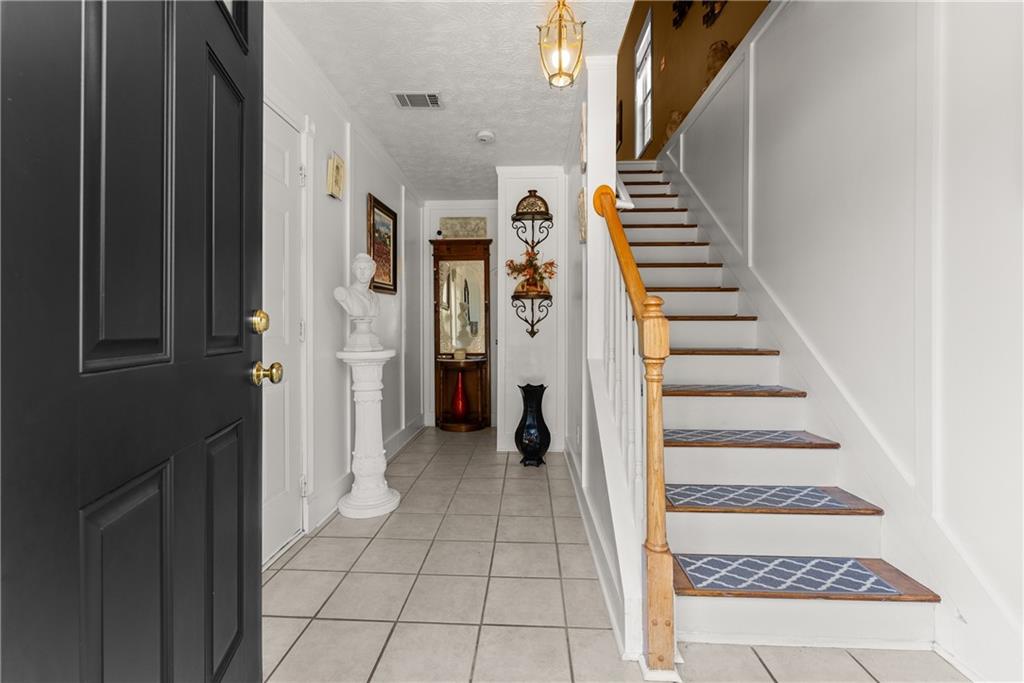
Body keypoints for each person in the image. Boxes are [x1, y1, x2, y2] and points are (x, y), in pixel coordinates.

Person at [334, 253, 380, 319]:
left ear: (372, 272)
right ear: (354, 272)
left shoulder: (374, 297)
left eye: (366, 268)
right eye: (359, 268)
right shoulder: (346, 293)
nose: (362, 273)